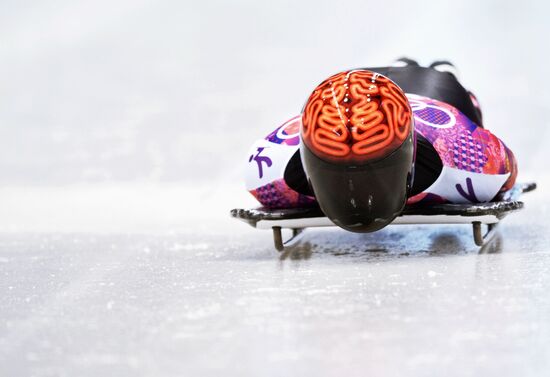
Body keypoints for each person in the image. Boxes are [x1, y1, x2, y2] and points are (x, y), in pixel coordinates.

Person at [244, 59, 518, 232]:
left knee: (456, 90)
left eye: (375, 173)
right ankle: (413, 66)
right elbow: (508, 173)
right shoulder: (268, 171)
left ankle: (433, 71)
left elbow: (505, 165)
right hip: (364, 95)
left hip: (433, 94)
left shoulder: (465, 155)